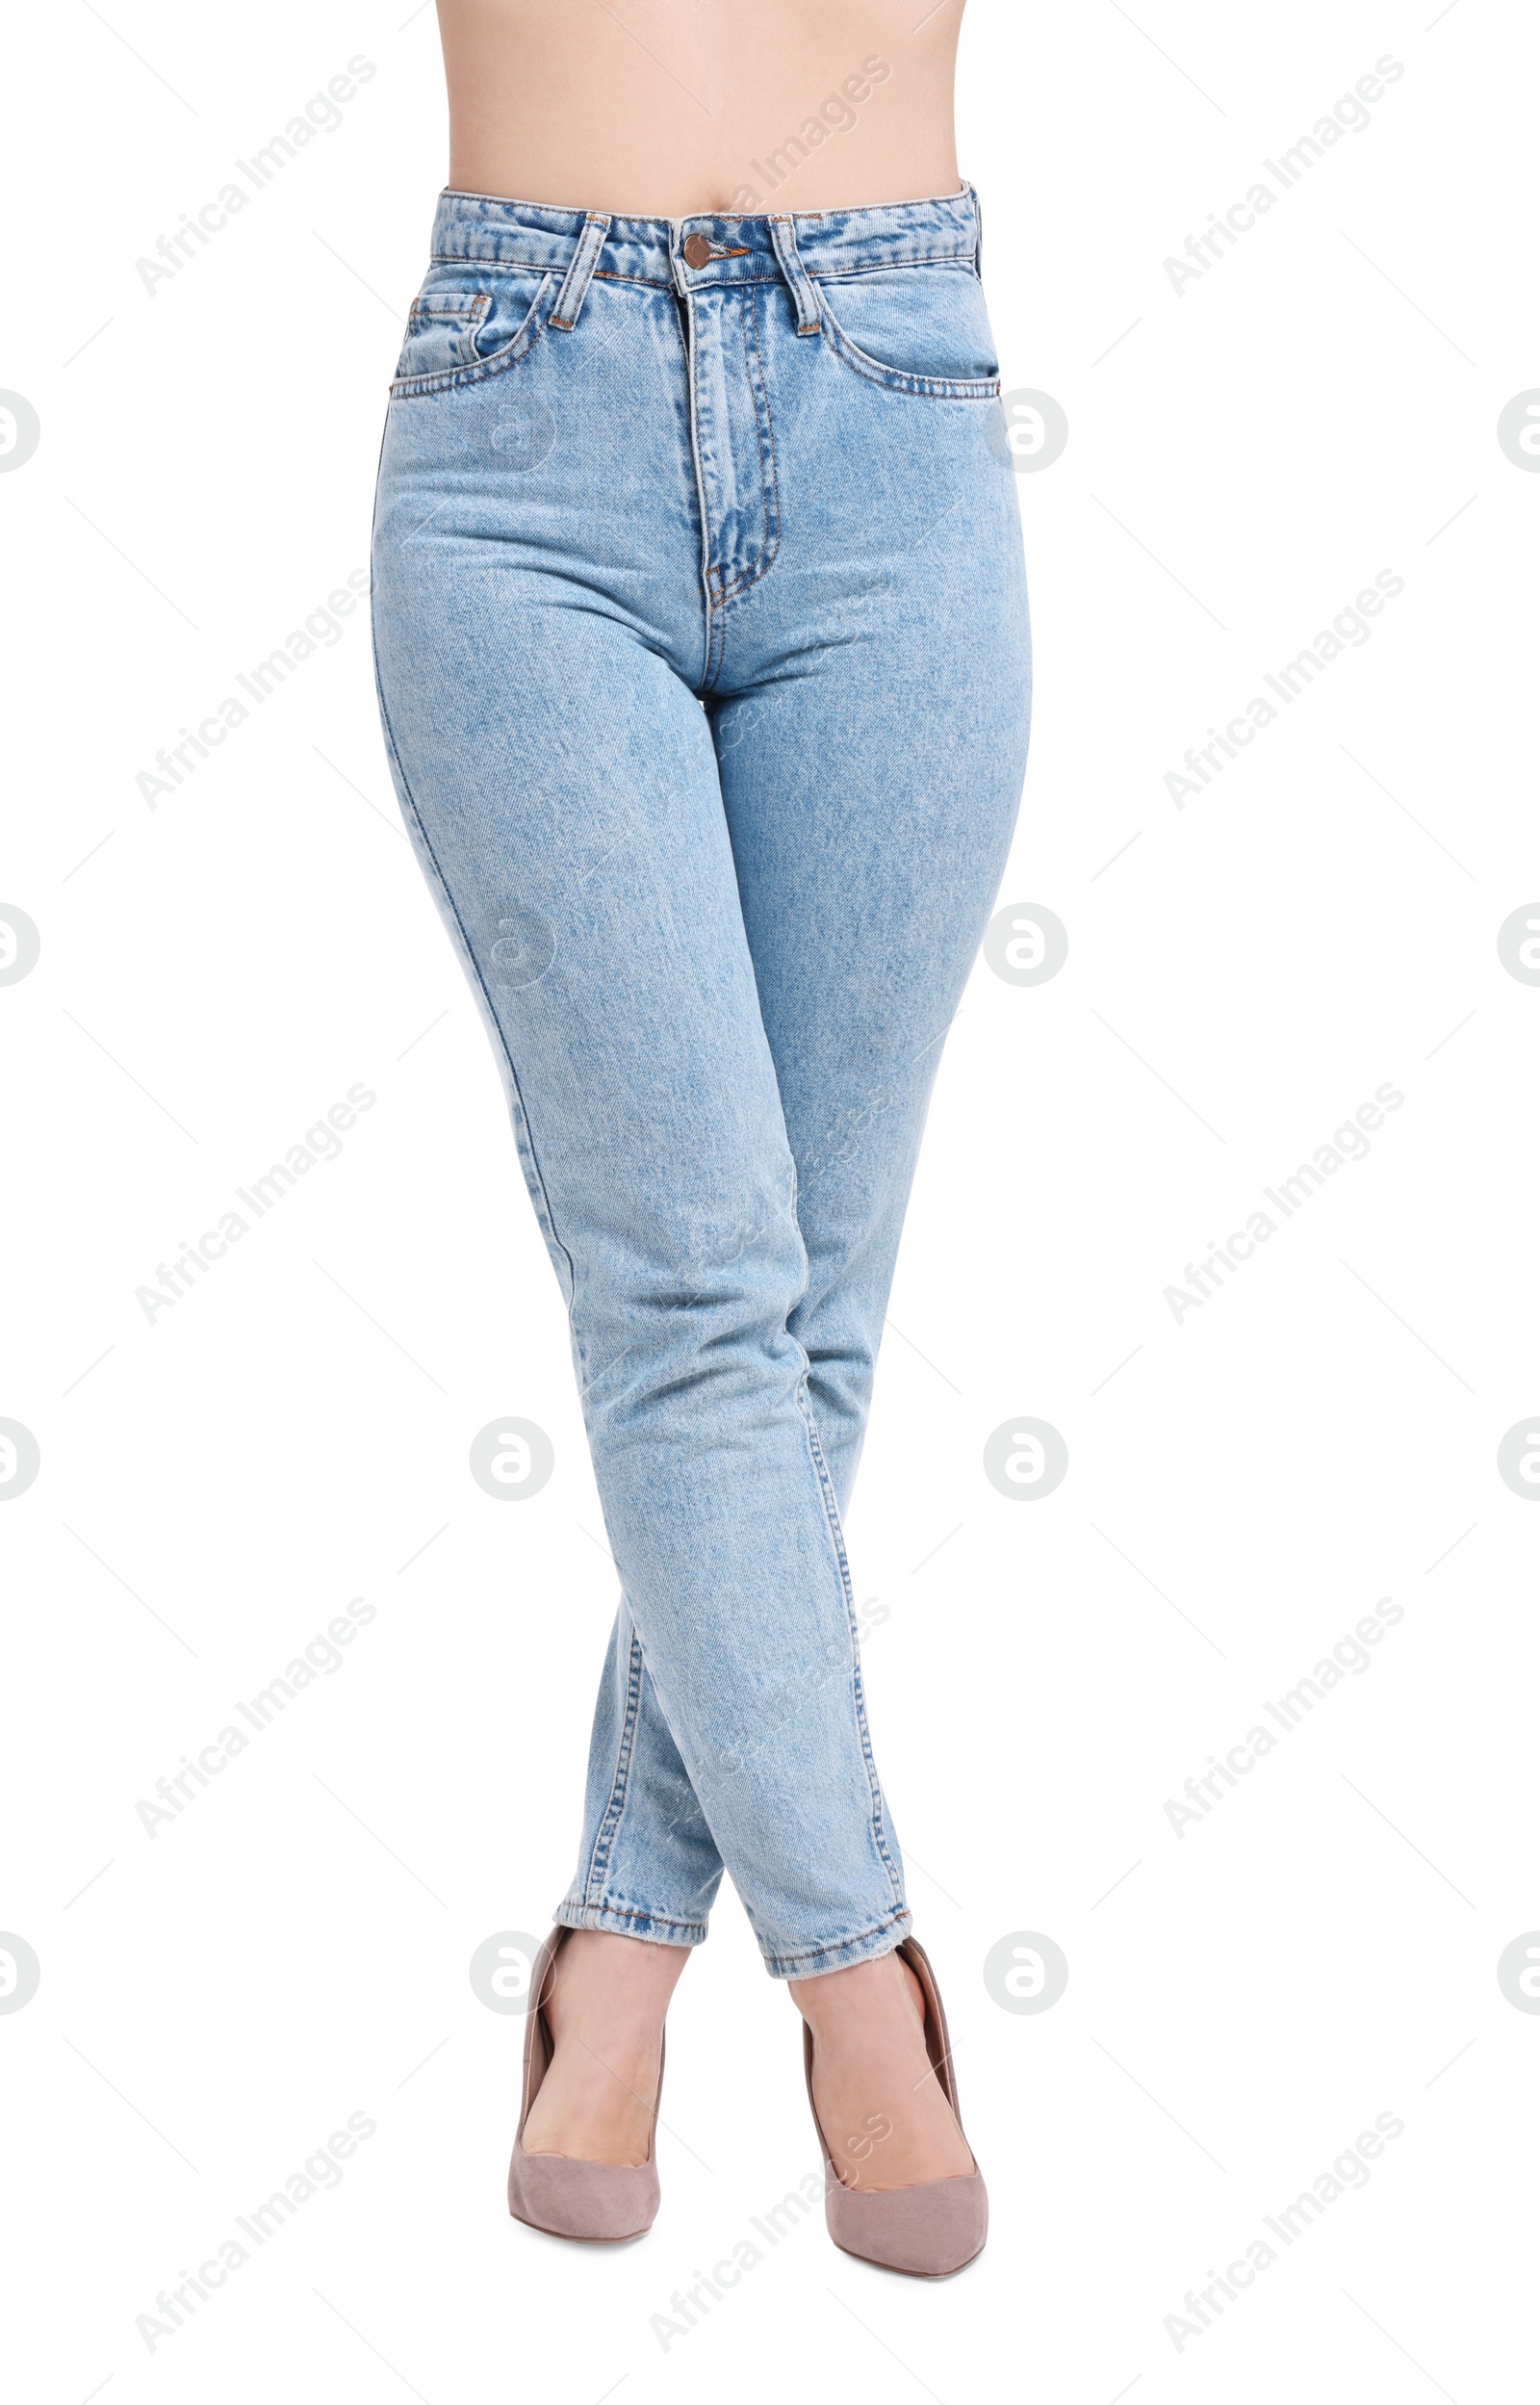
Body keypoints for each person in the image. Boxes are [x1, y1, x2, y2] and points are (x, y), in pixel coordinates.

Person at [370, 0, 1029, 2277]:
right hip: (517, 426)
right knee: (692, 1288)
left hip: (895, 401)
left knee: (802, 1317)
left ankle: (615, 1951)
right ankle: (862, 1978)